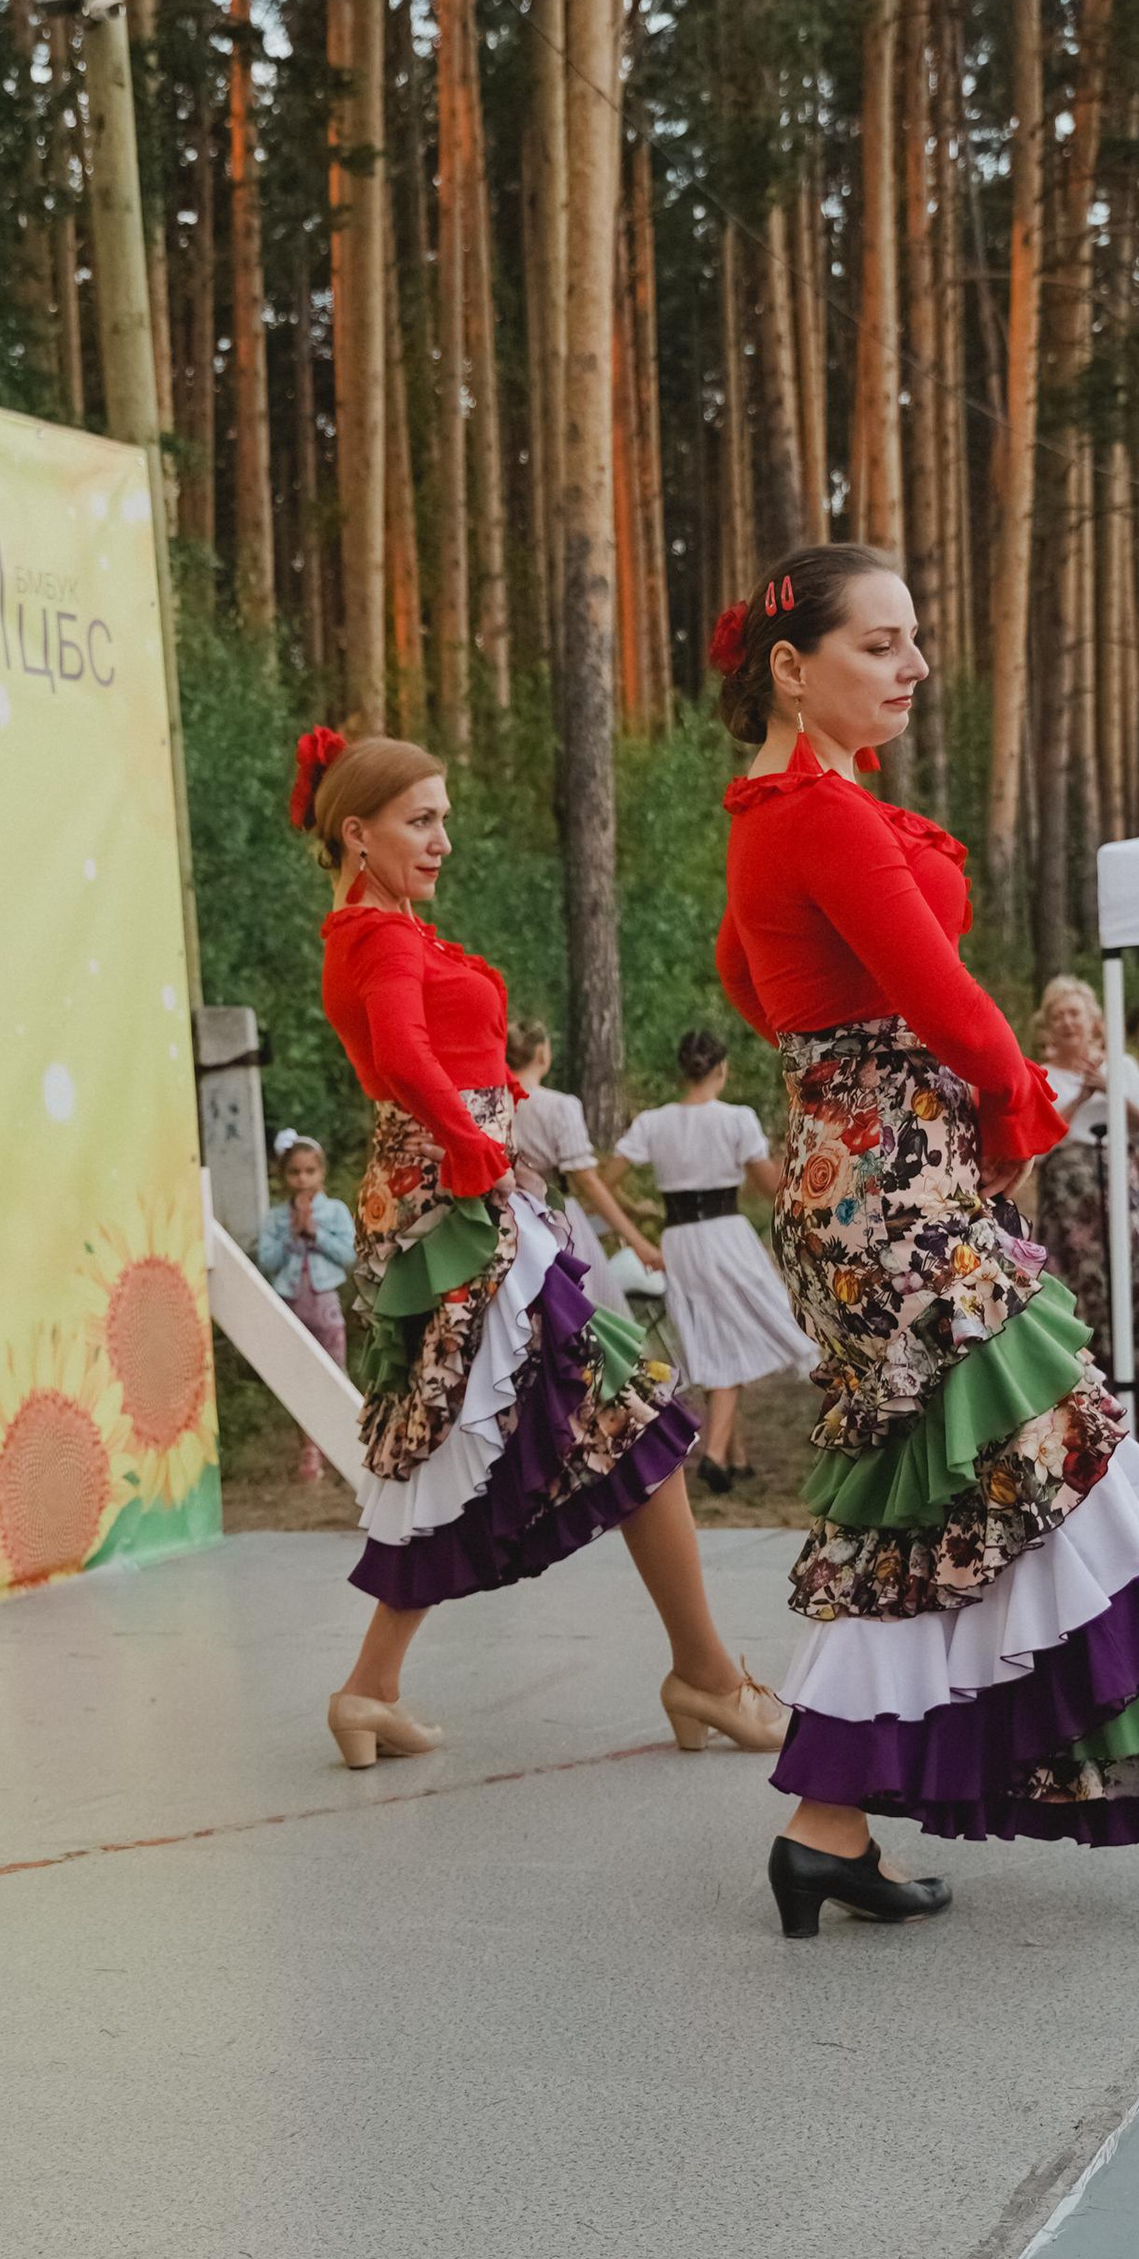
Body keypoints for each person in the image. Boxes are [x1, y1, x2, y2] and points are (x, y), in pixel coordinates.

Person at [711, 543, 1139, 1938]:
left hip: (856, 1187)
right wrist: (1010, 1121)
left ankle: (826, 1828)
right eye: (879, 645)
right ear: (794, 668)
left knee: (941, 1508)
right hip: (907, 1197)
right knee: (1062, 1491)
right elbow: (961, 1010)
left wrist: (871, 1100)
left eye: (916, 641)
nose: (912, 668)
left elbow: (753, 984)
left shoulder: (772, 819)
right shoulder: (825, 818)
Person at [295, 724, 785, 1773]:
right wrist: (475, 1136)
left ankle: (371, 1690)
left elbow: (440, 1056)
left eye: (443, 820)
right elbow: (401, 1056)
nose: (442, 842)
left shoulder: (389, 930)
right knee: (616, 1421)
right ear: (356, 831)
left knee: (529, 1435)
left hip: (468, 1200)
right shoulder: (376, 938)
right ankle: (701, 1673)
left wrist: (499, 1103)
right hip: (462, 1212)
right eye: (420, 821)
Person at [613, 1028, 814, 1491]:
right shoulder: (736, 1119)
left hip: (679, 1237)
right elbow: (768, 1185)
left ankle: (735, 1455)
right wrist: (795, 1170)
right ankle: (716, 1454)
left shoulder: (653, 1122)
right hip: (725, 1234)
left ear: (683, 1072)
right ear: (721, 1069)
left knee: (711, 1334)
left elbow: (605, 1176)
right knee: (741, 1333)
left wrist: (632, 1209)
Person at [1032, 971, 1139, 1375]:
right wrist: (1081, 1098)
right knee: (1079, 1286)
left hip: (1116, 1184)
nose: (1068, 1023)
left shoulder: (1123, 1065)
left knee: (1133, 1274)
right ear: (1047, 1026)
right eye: (1058, 1017)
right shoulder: (1042, 1074)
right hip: (1068, 1197)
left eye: (1075, 1014)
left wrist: (1109, 1088)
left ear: (1093, 1021)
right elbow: (1038, 1141)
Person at [505, 1019, 659, 1326]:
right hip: (555, 1217)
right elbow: (587, 1180)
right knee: (588, 1316)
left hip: (506, 1219)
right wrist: (637, 1241)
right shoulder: (559, 1106)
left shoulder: (494, 1103)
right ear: (542, 1054)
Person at [256, 1130, 356, 1483]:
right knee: (299, 1377)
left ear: (321, 1173)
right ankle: (309, 1451)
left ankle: (342, 1446)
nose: (303, 1179)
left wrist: (315, 1233)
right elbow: (266, 1261)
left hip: (325, 1303)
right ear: (284, 1176)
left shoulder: (336, 1212)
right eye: (295, 1172)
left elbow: (349, 1255)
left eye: (309, 1171)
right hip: (290, 1303)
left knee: (334, 1372)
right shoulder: (275, 1218)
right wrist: (292, 1235)